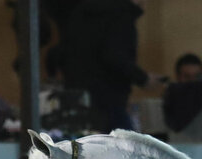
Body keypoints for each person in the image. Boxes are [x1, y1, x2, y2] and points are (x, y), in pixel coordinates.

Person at [61, 0, 163, 132]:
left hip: (77, 97)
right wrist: (143, 78)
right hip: (110, 100)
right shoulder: (122, 16)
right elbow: (115, 56)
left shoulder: (80, 11)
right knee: (125, 146)